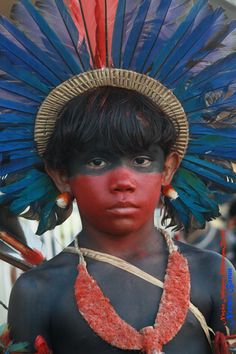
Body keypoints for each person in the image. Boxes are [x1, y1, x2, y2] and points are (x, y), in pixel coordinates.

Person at [0, 0, 236, 353]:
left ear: (168, 168)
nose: (123, 180)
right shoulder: (39, 291)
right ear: (62, 175)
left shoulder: (215, 274)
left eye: (141, 160)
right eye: (96, 162)